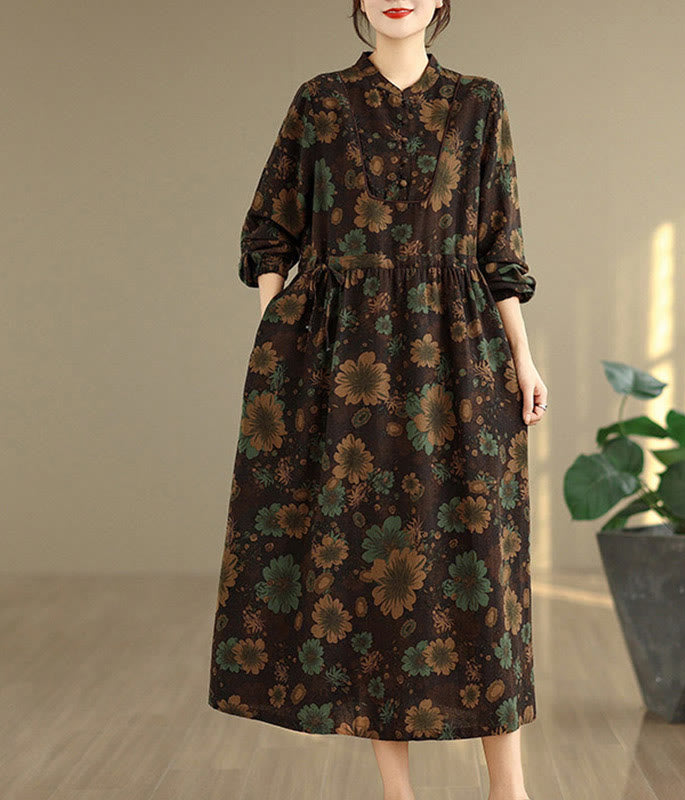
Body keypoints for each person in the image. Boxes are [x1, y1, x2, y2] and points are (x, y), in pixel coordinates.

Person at [208, 1, 549, 798]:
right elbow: (270, 229)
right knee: (367, 565)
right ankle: (397, 792)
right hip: (342, 362)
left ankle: (509, 789)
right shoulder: (320, 101)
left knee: (478, 563)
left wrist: (525, 360)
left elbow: (500, 244)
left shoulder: (479, 102)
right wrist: (280, 332)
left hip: (458, 355)